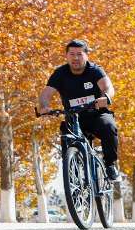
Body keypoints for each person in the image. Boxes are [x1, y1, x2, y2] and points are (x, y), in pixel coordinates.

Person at [37, 39, 121, 182]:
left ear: (86, 55)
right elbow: (46, 94)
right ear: (66, 56)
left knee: (109, 127)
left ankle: (110, 165)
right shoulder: (60, 73)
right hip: (73, 117)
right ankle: (73, 181)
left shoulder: (94, 70)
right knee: (66, 139)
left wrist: (106, 97)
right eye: (72, 54)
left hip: (96, 115)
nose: (75, 58)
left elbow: (108, 87)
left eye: (79, 54)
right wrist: (44, 106)